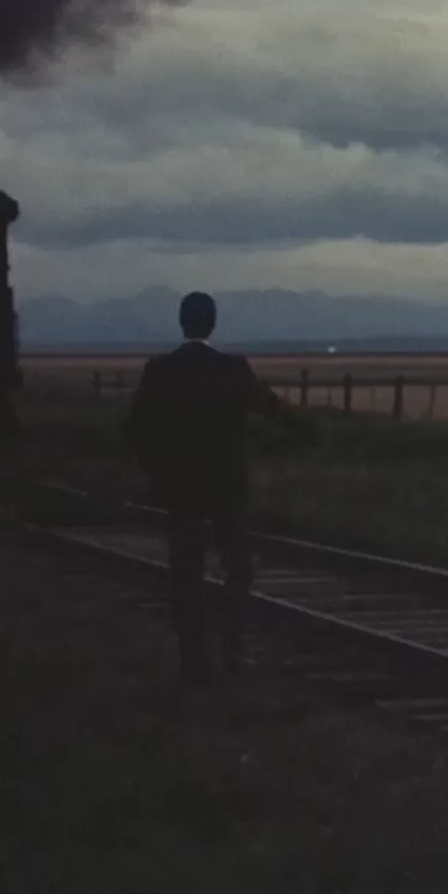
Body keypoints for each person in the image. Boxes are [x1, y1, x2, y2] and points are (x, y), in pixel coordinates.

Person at [123, 292, 316, 687]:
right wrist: (310, 433)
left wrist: (157, 472)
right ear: (212, 323)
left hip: (181, 489)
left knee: (185, 573)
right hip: (228, 486)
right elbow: (272, 409)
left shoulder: (160, 370)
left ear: (182, 322)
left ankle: (195, 661)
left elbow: (134, 430)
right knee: (237, 568)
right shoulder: (233, 369)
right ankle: (231, 642)